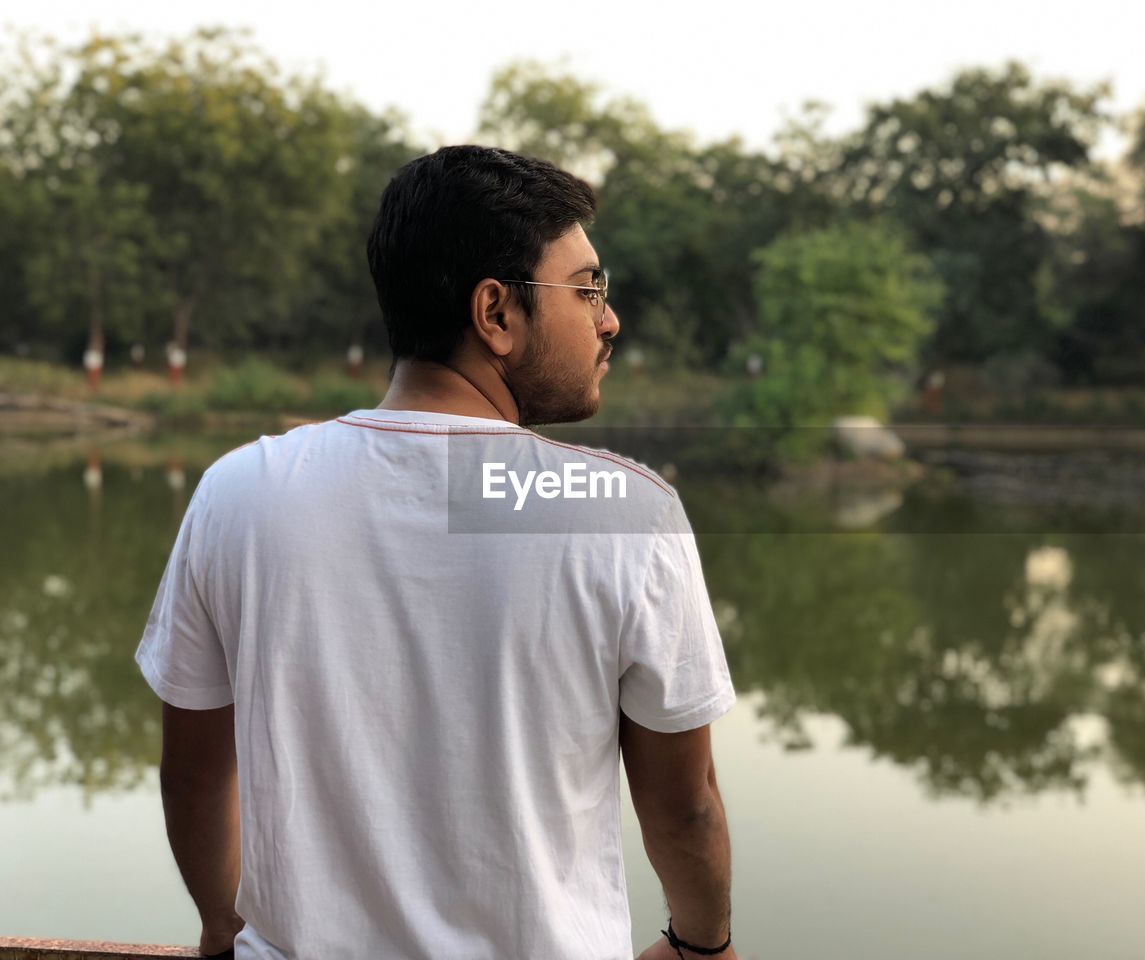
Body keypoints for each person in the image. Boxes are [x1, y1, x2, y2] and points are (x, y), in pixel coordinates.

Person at [136, 145, 738, 960]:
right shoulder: (621, 510)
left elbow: (197, 773)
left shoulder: (242, 491)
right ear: (496, 313)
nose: (609, 319)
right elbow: (686, 805)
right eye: (588, 289)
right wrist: (702, 944)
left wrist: (221, 925)